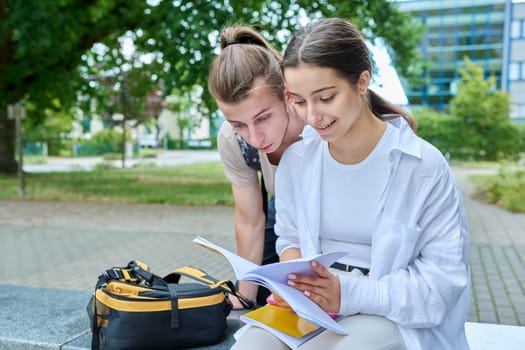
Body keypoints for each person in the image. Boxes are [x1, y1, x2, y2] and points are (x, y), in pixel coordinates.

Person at [232, 18, 471, 349]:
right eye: (299, 101)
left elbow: (441, 284)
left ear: (362, 83)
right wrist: (295, 282)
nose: (313, 116)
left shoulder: (422, 167)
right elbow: (288, 235)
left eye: (326, 97)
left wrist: (346, 294)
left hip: (391, 313)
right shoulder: (297, 162)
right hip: (315, 308)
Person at [207, 25, 310, 308]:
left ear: (286, 96)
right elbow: (250, 221)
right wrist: (244, 297)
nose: (254, 138)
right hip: (282, 217)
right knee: (264, 299)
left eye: (263, 118)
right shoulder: (233, 141)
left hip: (336, 223)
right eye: (238, 124)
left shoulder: (319, 123)